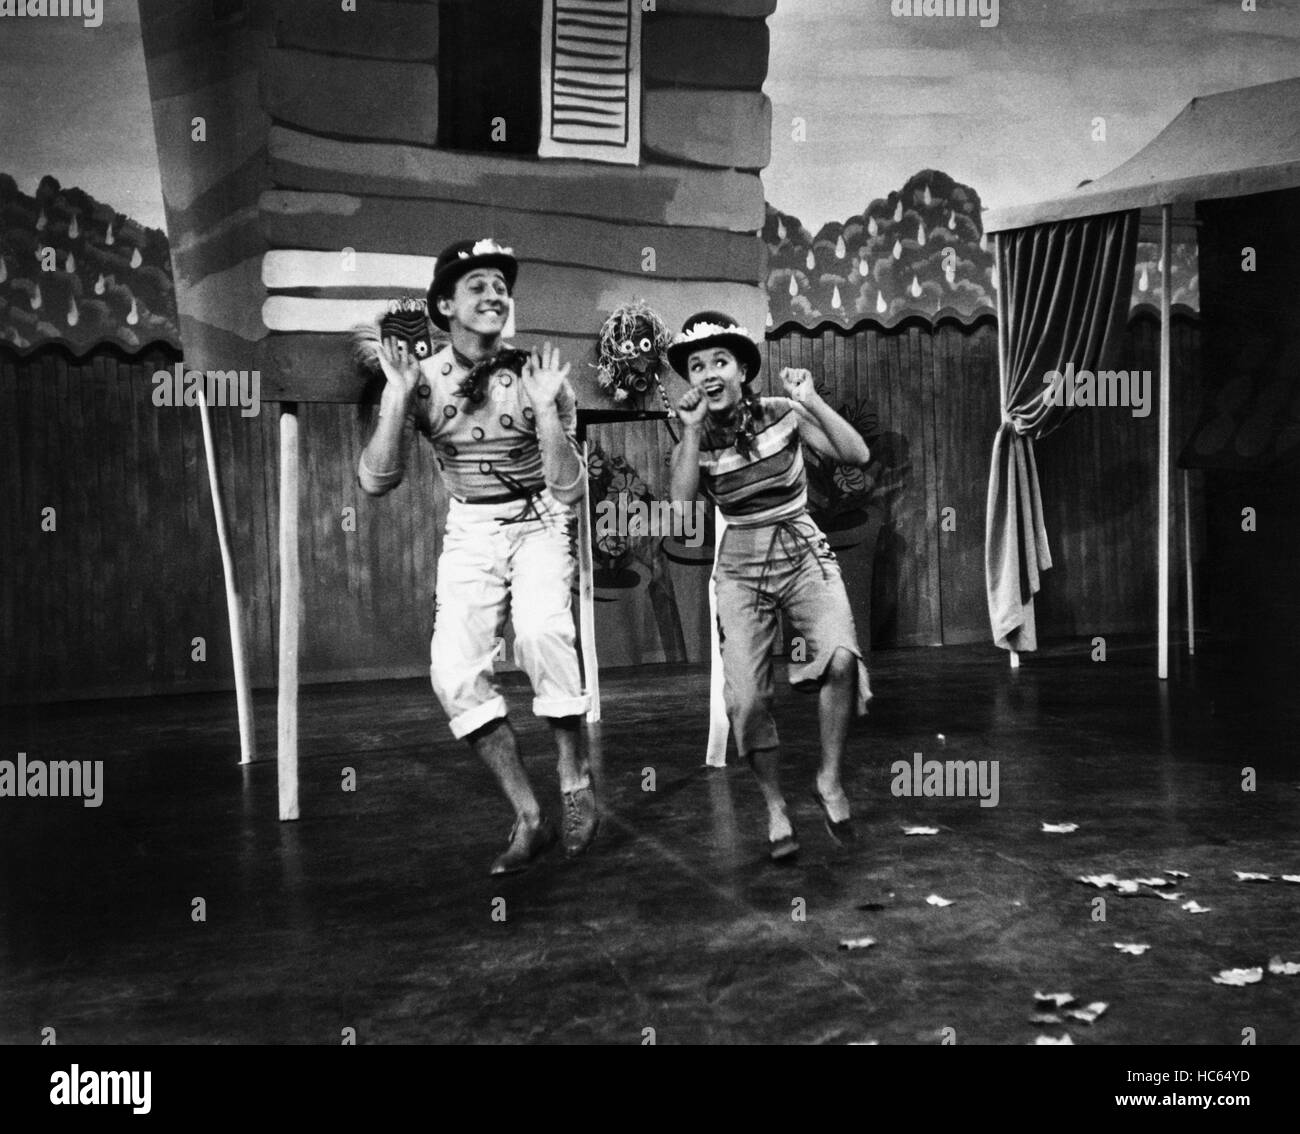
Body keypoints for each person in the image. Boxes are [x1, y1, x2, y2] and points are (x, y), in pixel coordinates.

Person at [356, 238, 596, 875]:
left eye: (501, 286)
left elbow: (570, 487)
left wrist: (547, 411)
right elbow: (377, 482)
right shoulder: (423, 380)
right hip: (472, 526)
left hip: (541, 517)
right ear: (444, 305)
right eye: (477, 286)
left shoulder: (538, 374)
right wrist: (397, 396)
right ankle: (529, 816)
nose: (495, 296)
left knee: (544, 633)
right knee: (454, 673)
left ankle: (574, 781)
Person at [668, 312, 873, 861]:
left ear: (742, 370)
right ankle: (775, 805)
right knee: (749, 699)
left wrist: (812, 401)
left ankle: (828, 780)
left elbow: (856, 455)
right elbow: (682, 507)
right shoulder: (693, 434)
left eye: (720, 361)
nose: (709, 374)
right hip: (740, 562)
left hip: (801, 545)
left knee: (840, 659)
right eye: (697, 366)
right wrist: (689, 434)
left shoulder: (783, 415)